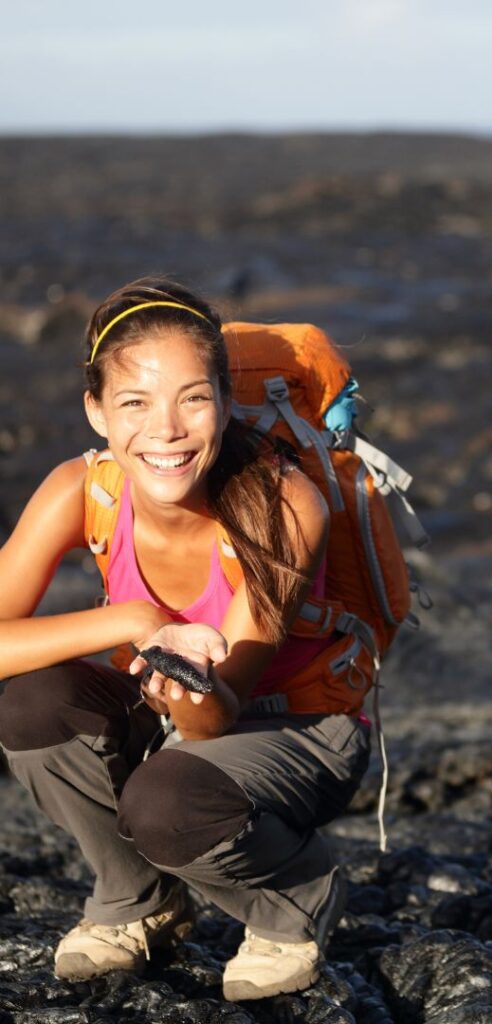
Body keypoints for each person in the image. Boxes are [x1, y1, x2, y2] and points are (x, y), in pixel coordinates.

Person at [0, 278, 371, 1001]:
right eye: (134, 403)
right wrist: (137, 624)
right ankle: (139, 902)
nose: (165, 430)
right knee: (31, 706)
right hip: (175, 708)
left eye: (193, 399)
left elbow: (216, 713)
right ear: (96, 412)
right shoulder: (85, 488)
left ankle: (295, 898)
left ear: (227, 404)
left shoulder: (285, 502)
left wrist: (186, 683)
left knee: (163, 800)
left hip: (299, 723)